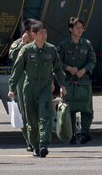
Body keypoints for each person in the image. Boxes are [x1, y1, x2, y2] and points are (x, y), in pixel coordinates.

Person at [7, 21, 66, 158]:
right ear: (33, 34)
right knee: (31, 119)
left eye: (45, 32)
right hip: (29, 87)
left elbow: (57, 68)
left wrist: (62, 85)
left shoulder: (51, 49)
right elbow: (17, 70)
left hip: (45, 87)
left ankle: (43, 144)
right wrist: (12, 88)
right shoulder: (26, 50)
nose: (44, 35)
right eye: (41, 33)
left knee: (45, 116)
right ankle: (34, 145)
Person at [58, 17, 97, 144]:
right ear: (70, 29)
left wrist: (84, 70)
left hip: (83, 81)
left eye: (81, 28)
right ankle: (71, 134)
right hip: (69, 81)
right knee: (70, 109)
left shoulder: (87, 44)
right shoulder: (64, 45)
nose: (80, 30)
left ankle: (85, 133)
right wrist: (68, 68)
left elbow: (92, 61)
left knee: (86, 109)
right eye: (77, 28)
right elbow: (57, 62)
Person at [7, 18, 36, 151]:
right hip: (22, 83)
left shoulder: (39, 44)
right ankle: (30, 140)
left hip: (37, 81)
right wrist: (22, 44)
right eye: (33, 30)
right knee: (25, 114)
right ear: (26, 32)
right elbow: (13, 57)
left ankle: (37, 139)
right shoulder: (17, 44)